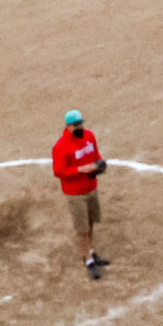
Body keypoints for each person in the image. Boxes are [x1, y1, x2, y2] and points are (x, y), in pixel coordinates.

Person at [51, 110, 108, 280]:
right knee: (82, 229)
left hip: (91, 187)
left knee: (90, 223)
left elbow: (96, 155)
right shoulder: (61, 146)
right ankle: (88, 260)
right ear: (67, 126)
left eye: (80, 123)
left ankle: (91, 251)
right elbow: (58, 171)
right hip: (75, 193)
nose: (79, 127)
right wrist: (80, 169)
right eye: (76, 125)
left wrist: (99, 165)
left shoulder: (89, 136)